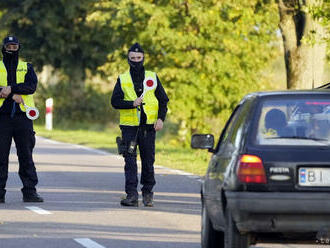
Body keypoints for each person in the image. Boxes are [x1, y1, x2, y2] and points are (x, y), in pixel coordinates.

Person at [111, 43, 169, 207]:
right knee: (129, 161)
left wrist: (160, 119)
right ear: (128, 59)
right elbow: (114, 102)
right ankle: (131, 195)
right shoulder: (122, 79)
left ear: (143, 58)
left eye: (139, 58)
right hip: (129, 127)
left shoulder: (152, 76)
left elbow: (163, 100)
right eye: (133, 58)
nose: (136, 61)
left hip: (149, 127)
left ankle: (148, 193)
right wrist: (132, 103)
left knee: (148, 161)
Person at [0, 35, 43, 203]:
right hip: (2, 118)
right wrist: (10, 92)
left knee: (26, 156)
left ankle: (30, 192)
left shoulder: (27, 67)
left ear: (19, 47)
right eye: (9, 46)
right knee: (0, 157)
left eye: (14, 46)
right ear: (4, 48)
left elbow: (31, 87)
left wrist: (11, 89)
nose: (12, 49)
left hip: (23, 118)